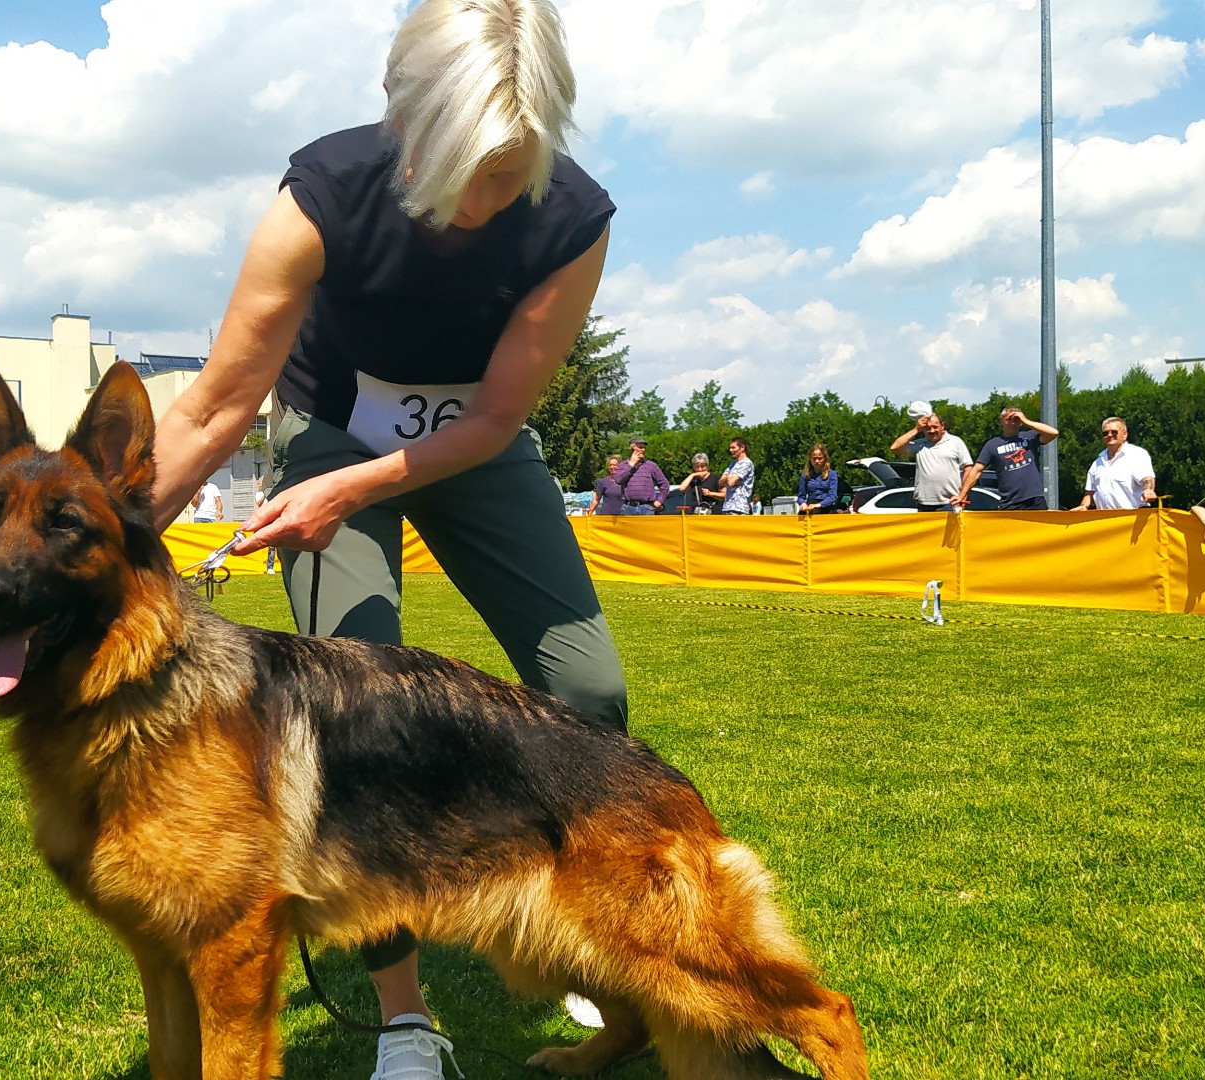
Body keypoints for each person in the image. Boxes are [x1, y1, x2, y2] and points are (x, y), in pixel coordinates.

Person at [144, 1, 624, 1066]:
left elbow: (497, 417)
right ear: (398, 112)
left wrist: (361, 487)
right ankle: (408, 1022)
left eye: (509, 172)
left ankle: (587, 938)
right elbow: (215, 406)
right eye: (460, 169)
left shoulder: (577, 219)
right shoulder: (317, 195)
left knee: (590, 693)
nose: (482, 203)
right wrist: (106, 541)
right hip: (330, 434)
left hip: (478, 449)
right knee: (357, 727)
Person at [957, 406, 1058, 510]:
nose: (1012, 423)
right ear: (1001, 421)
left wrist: (1026, 420)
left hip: (1034, 500)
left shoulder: (1029, 437)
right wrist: (962, 495)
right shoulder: (992, 445)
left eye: (1016, 420)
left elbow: (1053, 433)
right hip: (1010, 503)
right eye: (1008, 419)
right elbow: (976, 470)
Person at [889, 411, 970, 512]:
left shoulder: (955, 442)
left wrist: (962, 495)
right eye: (927, 428)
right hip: (924, 504)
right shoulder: (919, 445)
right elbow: (894, 448)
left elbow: (968, 469)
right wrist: (916, 429)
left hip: (950, 503)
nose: (932, 431)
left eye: (935, 427)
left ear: (942, 426)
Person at [1073, 418, 1157, 510]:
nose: (1109, 435)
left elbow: (1147, 478)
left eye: (1114, 432)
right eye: (1105, 433)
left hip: (1133, 516)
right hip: (1105, 519)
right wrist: (1083, 506)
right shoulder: (1097, 463)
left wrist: (1148, 490)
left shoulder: (1137, 454)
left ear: (1124, 434)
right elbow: (1090, 492)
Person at [612, 436, 669, 514]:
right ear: (631, 448)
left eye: (644, 448)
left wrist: (659, 501)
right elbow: (618, 480)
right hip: (628, 507)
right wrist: (631, 464)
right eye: (640, 447)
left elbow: (664, 484)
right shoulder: (623, 465)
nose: (643, 450)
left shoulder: (651, 465)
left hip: (647, 507)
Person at [796, 443, 840, 514]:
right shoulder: (805, 475)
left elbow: (832, 496)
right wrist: (802, 503)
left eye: (820, 458)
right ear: (810, 458)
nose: (816, 461)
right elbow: (801, 496)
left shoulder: (832, 474)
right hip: (810, 507)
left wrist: (819, 505)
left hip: (826, 507)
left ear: (825, 458)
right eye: (814, 458)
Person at [718, 436, 757, 514]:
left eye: (733, 448)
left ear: (742, 448)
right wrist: (729, 477)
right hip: (727, 506)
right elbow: (720, 483)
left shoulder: (747, 463)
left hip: (739, 508)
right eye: (730, 448)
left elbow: (731, 482)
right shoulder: (732, 464)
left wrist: (729, 477)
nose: (731, 450)